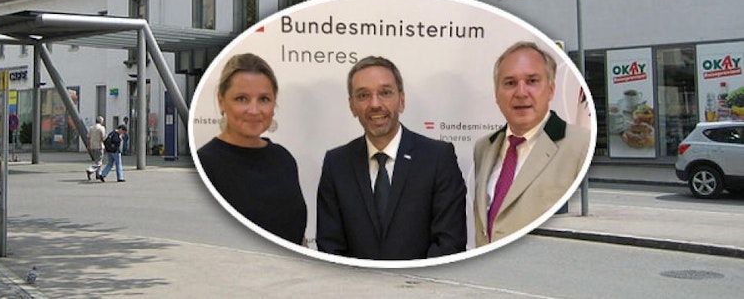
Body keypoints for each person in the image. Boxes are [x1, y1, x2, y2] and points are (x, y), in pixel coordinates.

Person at [317, 56, 467, 260]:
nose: (375, 104)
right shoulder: (336, 163)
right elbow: (330, 245)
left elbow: (449, 242)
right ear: (352, 106)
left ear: (402, 100)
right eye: (363, 95)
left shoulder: (438, 158)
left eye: (385, 93)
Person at [473, 41, 591, 246]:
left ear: (551, 90)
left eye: (532, 81)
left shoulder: (580, 146)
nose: (520, 93)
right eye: (509, 83)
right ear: (496, 93)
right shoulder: (484, 148)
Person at [196, 53, 307, 245]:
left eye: (264, 99)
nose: (254, 110)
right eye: (242, 99)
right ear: (221, 101)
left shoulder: (283, 159)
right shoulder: (205, 165)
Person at [85, 116, 106, 181]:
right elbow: (102, 138)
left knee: (96, 160)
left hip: (92, 146)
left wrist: (88, 146)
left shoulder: (91, 128)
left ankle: (98, 175)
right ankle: (90, 170)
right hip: (99, 146)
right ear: (101, 121)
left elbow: (88, 137)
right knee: (99, 162)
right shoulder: (101, 128)